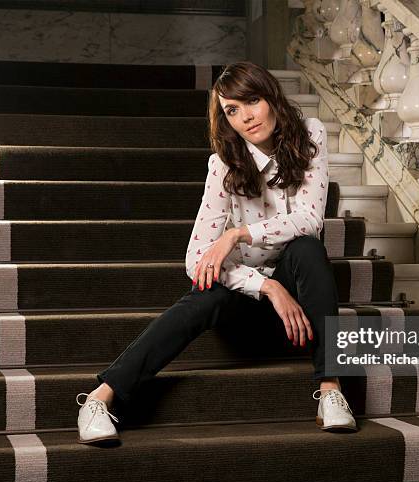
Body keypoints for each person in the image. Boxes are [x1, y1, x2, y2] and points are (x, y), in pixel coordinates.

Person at [76, 61, 357, 444]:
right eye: (232, 110)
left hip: (299, 285)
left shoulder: (310, 135)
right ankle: (100, 397)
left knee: (308, 250)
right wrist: (267, 287)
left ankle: (330, 389)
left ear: (271, 95)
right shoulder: (223, 164)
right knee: (201, 296)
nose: (247, 117)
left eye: (252, 101)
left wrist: (238, 235)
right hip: (245, 295)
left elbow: (310, 219)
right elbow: (195, 259)